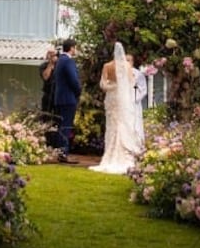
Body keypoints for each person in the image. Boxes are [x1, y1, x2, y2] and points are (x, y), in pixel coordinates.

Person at [90, 42, 145, 174]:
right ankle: (124, 152)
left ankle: (110, 152)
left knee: (112, 124)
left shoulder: (107, 66)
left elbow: (103, 85)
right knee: (123, 123)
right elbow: (132, 83)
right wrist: (122, 87)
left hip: (111, 98)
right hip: (122, 99)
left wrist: (113, 87)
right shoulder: (127, 66)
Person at [52, 38, 82, 163]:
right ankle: (63, 153)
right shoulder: (68, 61)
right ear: (71, 48)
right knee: (66, 126)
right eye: (75, 47)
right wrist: (78, 91)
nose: (76, 50)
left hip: (60, 97)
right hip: (68, 98)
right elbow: (73, 80)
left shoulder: (60, 61)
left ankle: (60, 152)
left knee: (62, 126)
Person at [38, 48, 57, 117]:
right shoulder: (43, 66)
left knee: (57, 116)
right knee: (46, 115)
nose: (52, 56)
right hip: (48, 94)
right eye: (50, 54)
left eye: (54, 54)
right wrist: (50, 64)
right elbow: (46, 77)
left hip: (58, 95)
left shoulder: (60, 65)